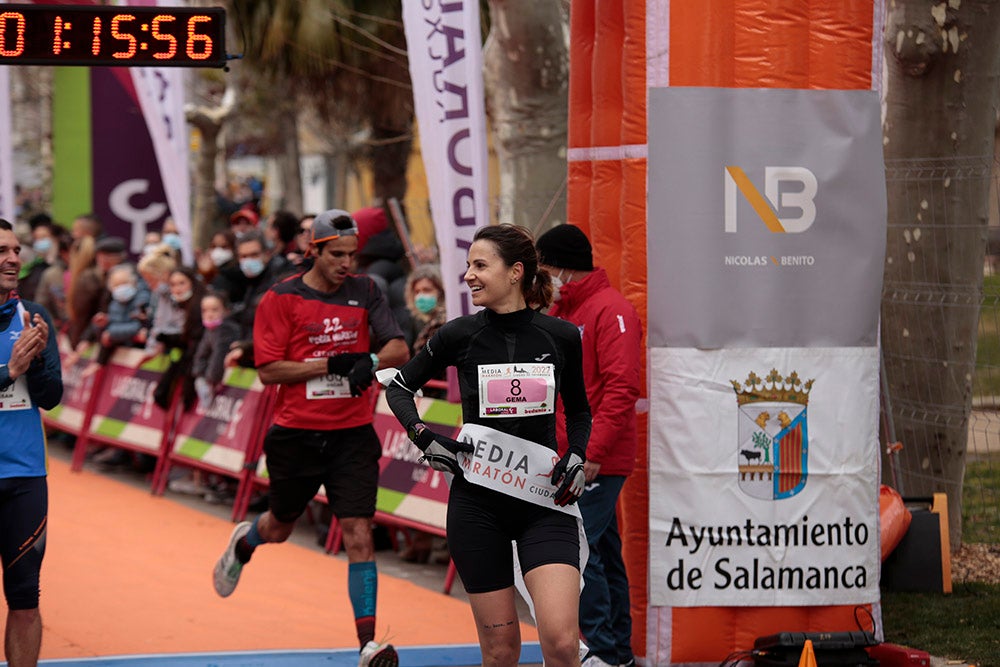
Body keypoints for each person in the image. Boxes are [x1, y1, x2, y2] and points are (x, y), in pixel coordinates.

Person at [385, 224, 592, 667]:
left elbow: (579, 411)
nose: (468, 276)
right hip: (478, 506)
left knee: (561, 643)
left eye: (480, 265)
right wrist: (425, 437)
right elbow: (399, 388)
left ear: (515, 272)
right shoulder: (457, 334)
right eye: (468, 266)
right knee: (501, 651)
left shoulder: (560, 336)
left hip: (544, 501)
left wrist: (577, 454)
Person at [211, 208, 409, 667]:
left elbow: (398, 346)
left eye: (352, 255)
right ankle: (245, 543)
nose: (346, 264)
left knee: (358, 532)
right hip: (296, 434)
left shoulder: (366, 289)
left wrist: (369, 362)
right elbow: (268, 370)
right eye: (337, 255)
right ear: (313, 250)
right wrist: (332, 364)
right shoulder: (282, 297)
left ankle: (367, 645)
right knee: (280, 527)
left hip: (352, 434)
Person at [536, 223, 642, 667]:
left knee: (582, 553)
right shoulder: (566, 311)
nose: (540, 278)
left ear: (560, 266)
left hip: (596, 459)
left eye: (542, 268)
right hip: (573, 455)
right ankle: (616, 653)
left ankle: (601, 650)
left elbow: (622, 388)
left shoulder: (611, 310)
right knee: (602, 553)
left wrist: (592, 453)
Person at [0, 219, 63, 667]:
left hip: (24, 476)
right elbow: (11, 375)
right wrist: (10, 371)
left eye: (17, 250)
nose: (13, 259)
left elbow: (52, 397)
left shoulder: (33, 315)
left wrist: (37, 362)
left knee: (25, 598)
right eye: (2, 251)